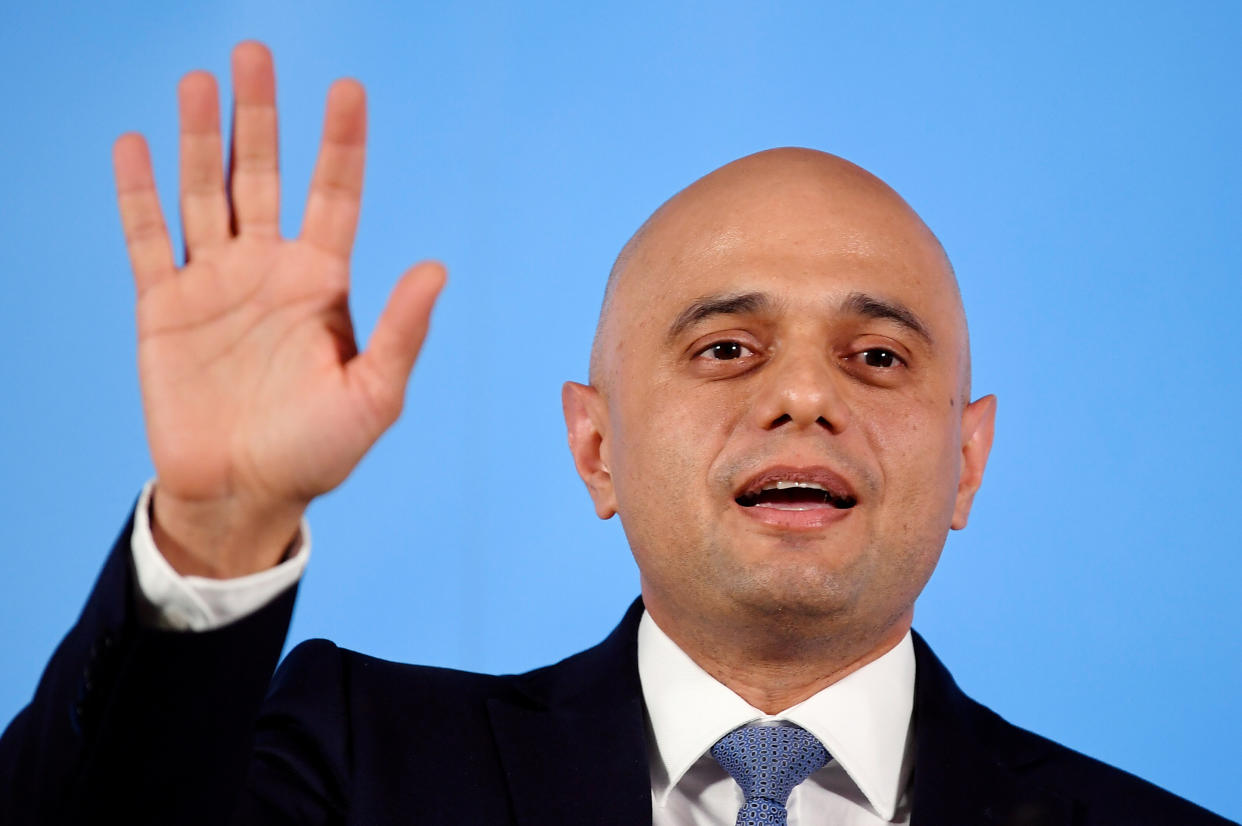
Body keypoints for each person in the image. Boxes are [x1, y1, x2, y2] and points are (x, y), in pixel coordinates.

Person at [0, 41, 1232, 826]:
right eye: (726, 350)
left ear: (968, 460)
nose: (805, 398)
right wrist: (219, 528)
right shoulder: (352, 759)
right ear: (595, 448)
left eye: (876, 357)